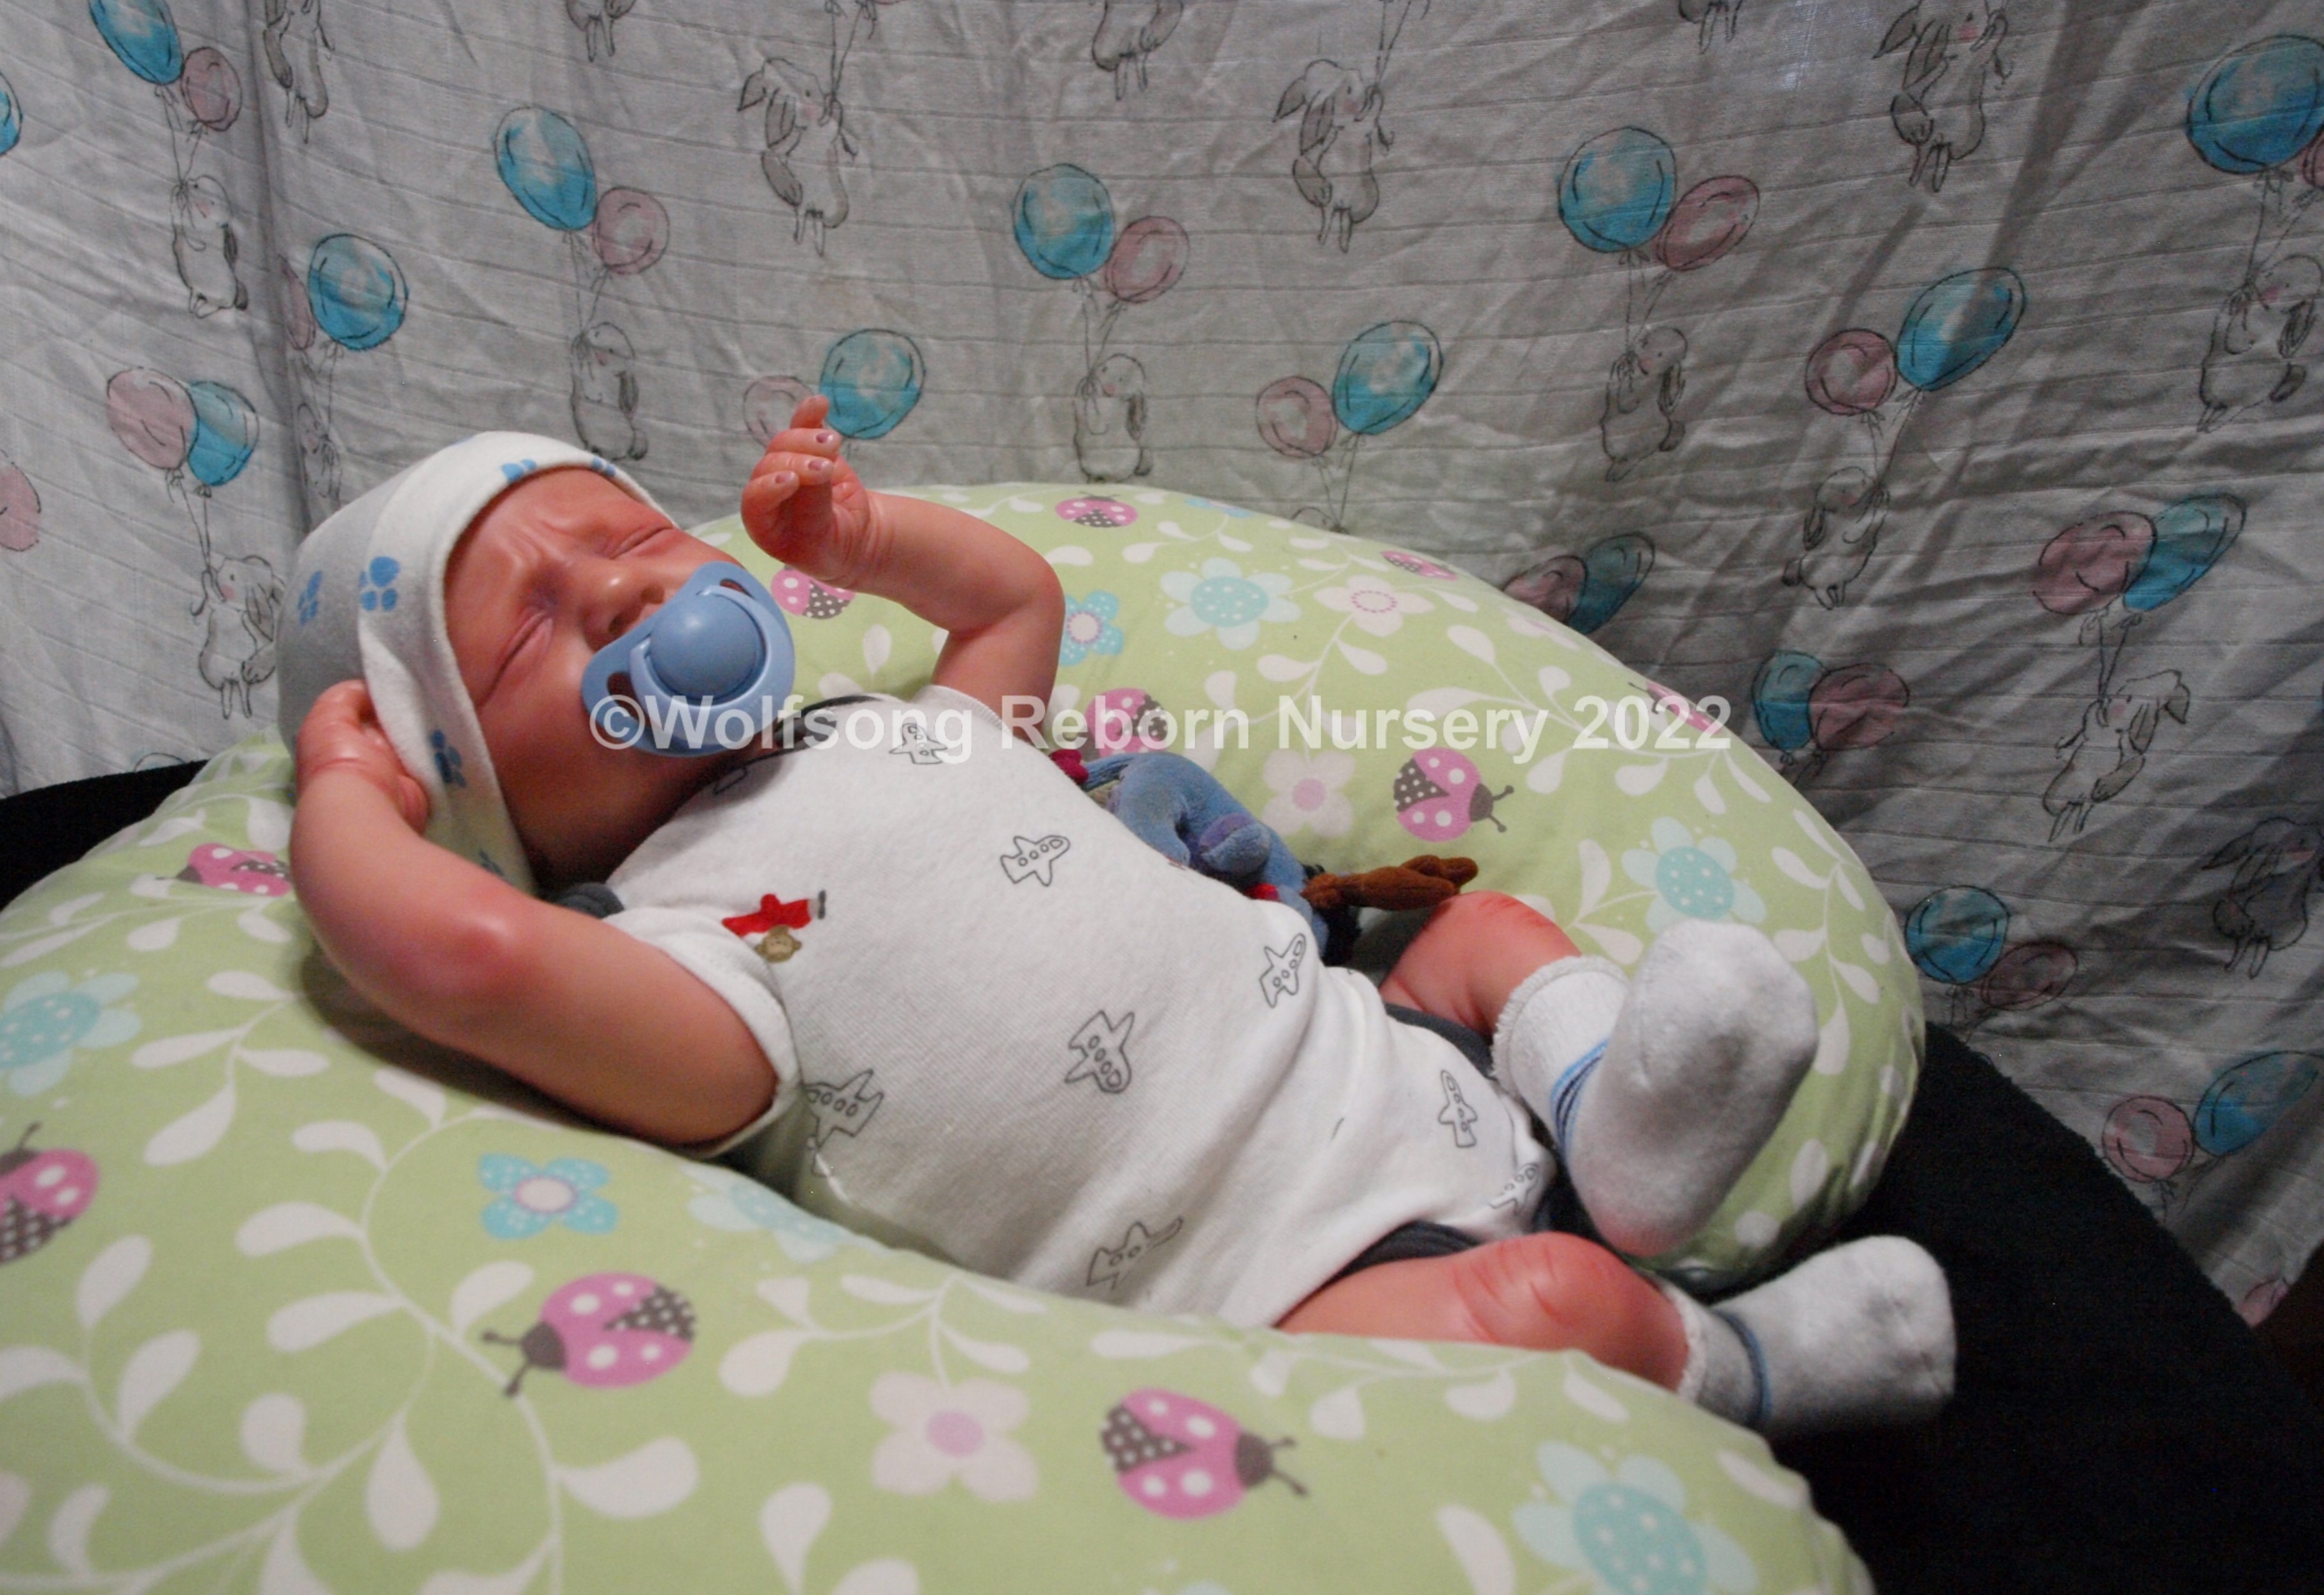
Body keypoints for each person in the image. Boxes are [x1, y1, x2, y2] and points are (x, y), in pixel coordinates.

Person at [283, 405, 1953, 1438]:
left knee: (1491, 927)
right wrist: (347, 803)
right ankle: (1747, 1364)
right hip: (1291, 1272)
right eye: (537, 631)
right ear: (467, 789)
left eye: (637, 540)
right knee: (1543, 1314)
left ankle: (1621, 1131)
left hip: (1371, 1041)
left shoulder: (901, 727)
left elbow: (1017, 598)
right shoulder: (683, 957)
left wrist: (861, 537)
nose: (629, 590)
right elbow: (467, 960)